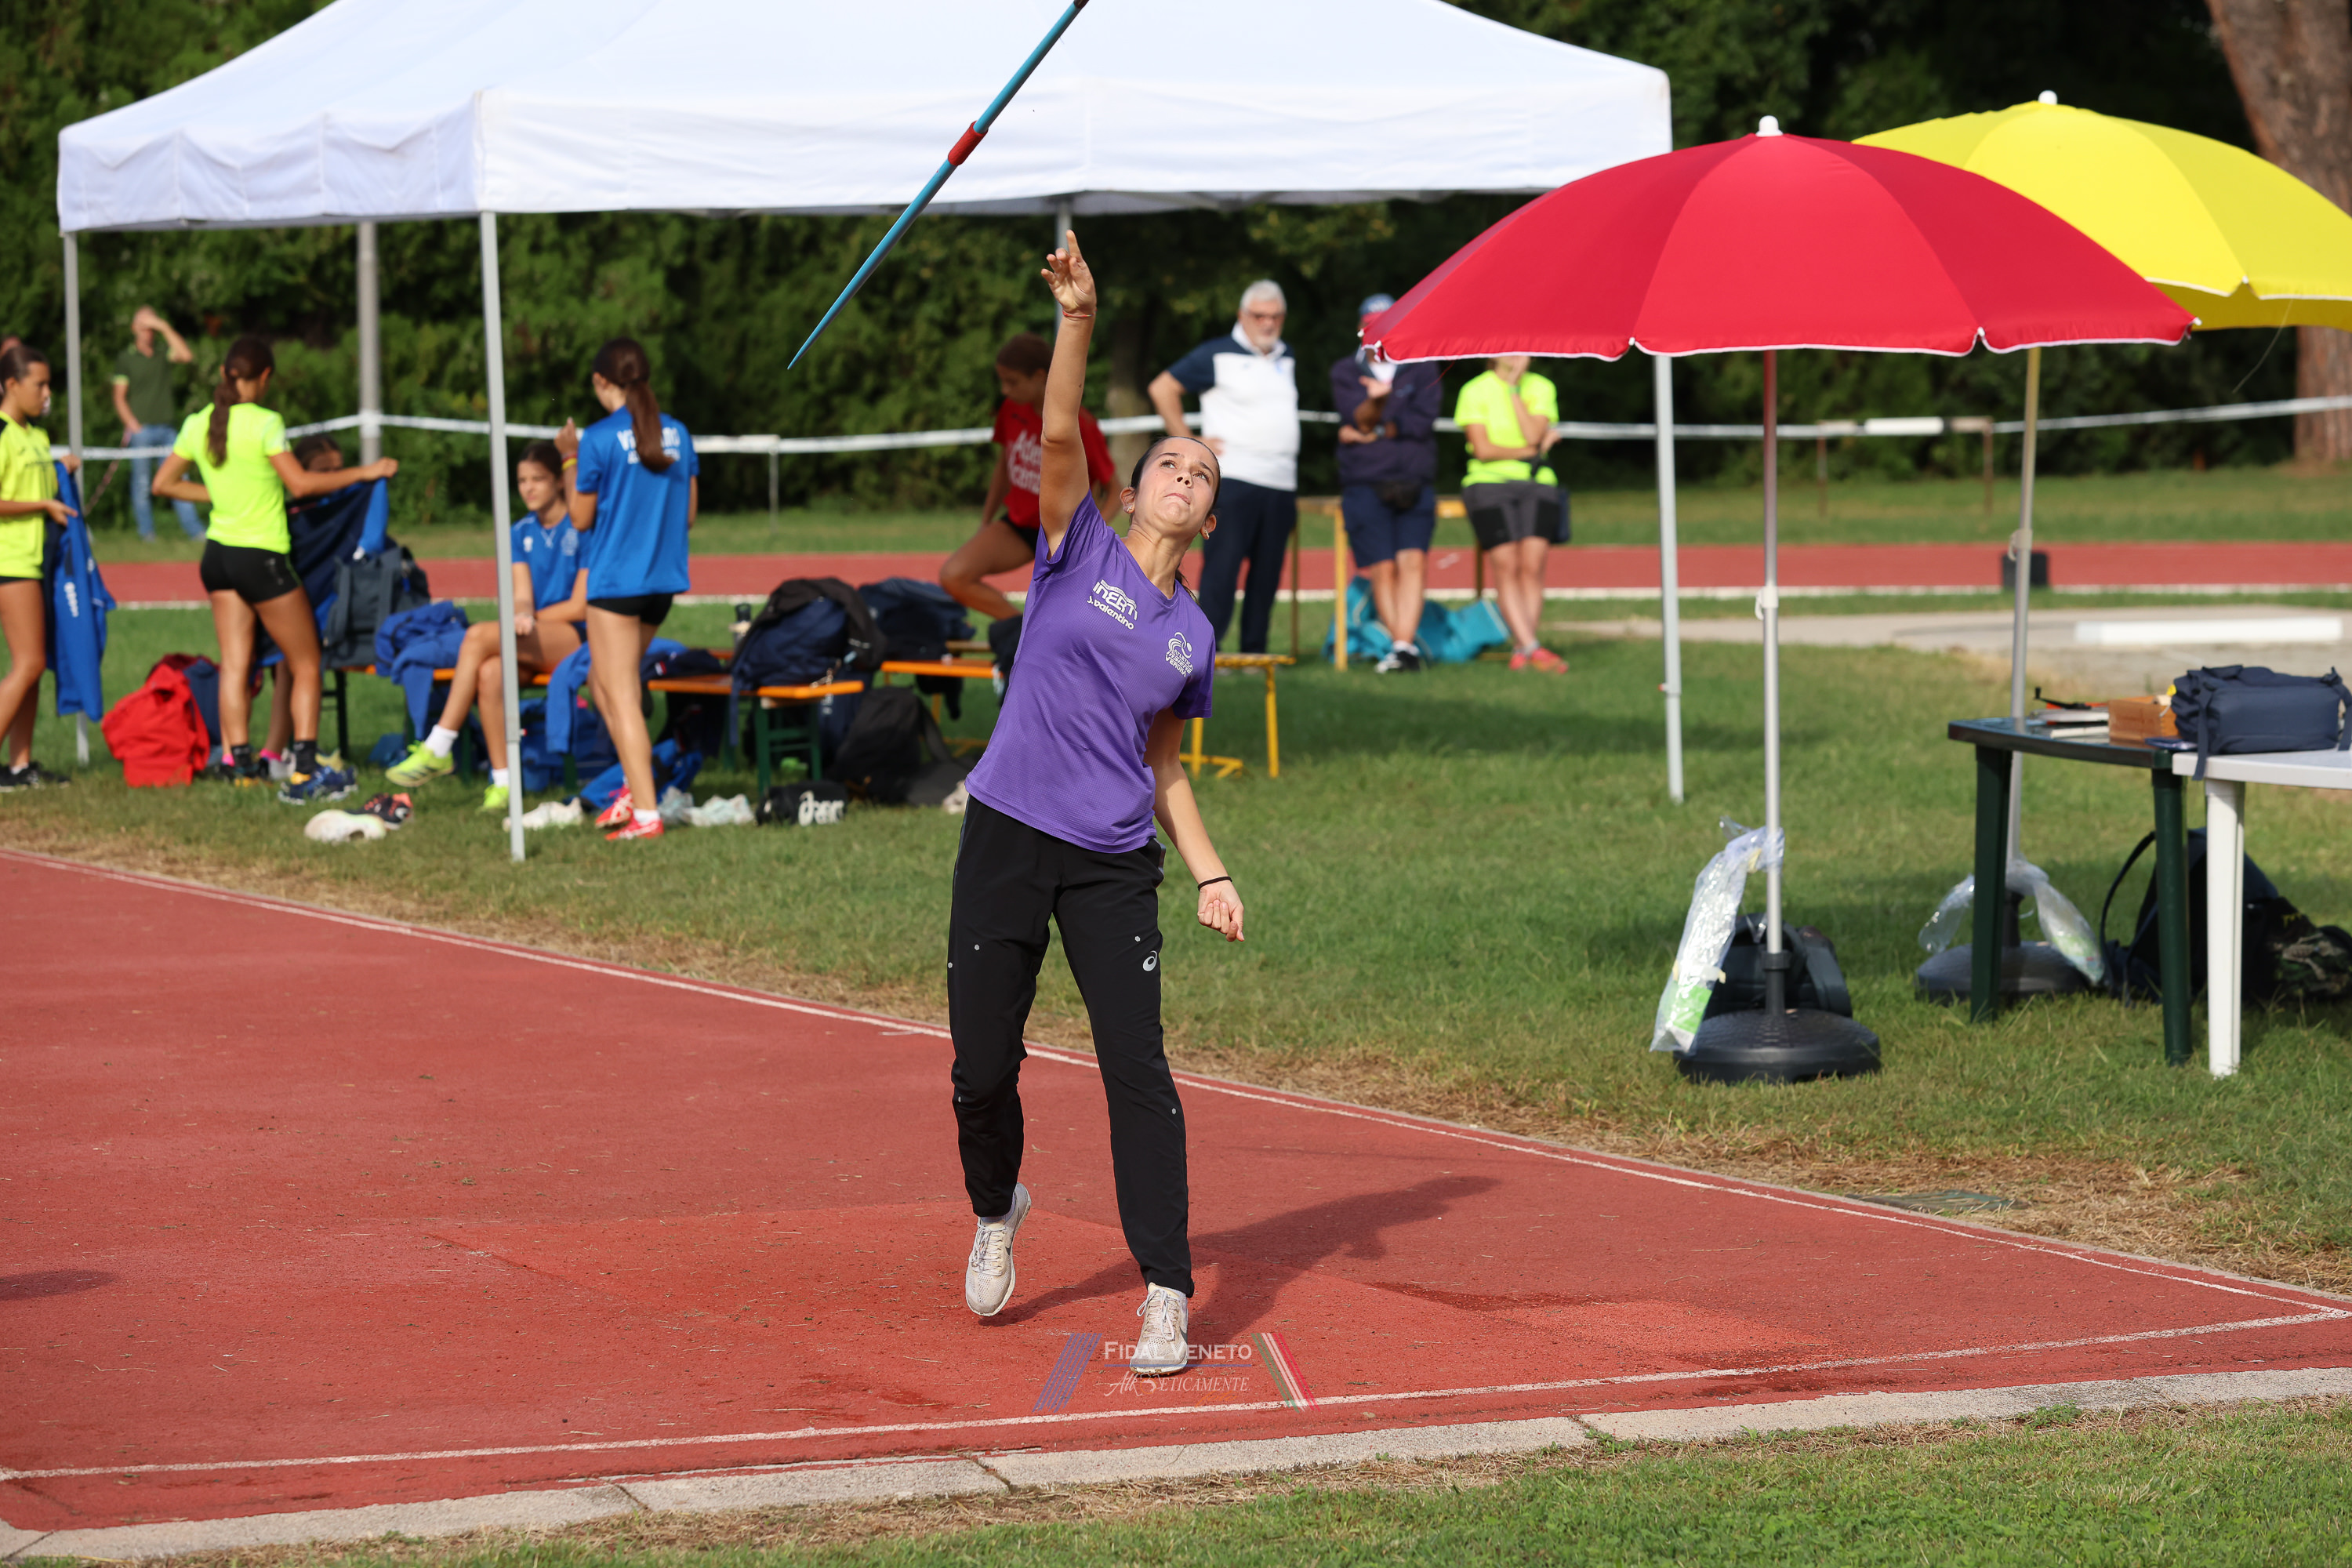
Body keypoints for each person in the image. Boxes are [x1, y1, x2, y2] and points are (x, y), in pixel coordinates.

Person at [953, 232, 1244, 1377]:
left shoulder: (1192, 638)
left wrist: (1213, 871)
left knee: (1140, 1069)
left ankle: (1166, 1291)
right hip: (1008, 831)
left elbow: (1164, 765)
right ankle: (997, 1207)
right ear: (1136, 489)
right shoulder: (1077, 546)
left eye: (1202, 475)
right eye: (1171, 462)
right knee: (982, 1065)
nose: (1184, 477)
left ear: (1209, 519)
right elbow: (1062, 421)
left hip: (1113, 862)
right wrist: (1076, 317)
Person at [151, 336, 395, 799]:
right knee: (307, 662)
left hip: (217, 556)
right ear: (264, 377)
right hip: (260, 557)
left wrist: (221, 496)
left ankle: (241, 767)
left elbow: (163, 484)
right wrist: (366, 473)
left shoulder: (198, 422)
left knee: (235, 665)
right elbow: (300, 485)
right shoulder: (266, 422)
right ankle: (304, 769)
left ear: (224, 374)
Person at [385, 441, 586, 812]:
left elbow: (579, 605)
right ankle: (504, 782)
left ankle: (440, 744)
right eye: (522, 480)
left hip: (576, 637)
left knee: (478, 635)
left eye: (538, 479)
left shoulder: (582, 526)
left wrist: (532, 620)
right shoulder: (520, 531)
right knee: (491, 673)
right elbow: (522, 595)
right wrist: (522, 614)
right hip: (534, 637)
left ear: (559, 482)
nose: (528, 488)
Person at [557, 338, 696, 843]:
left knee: (620, 694)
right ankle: (636, 789)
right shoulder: (677, 432)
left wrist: (568, 460)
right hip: (662, 583)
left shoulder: (597, 438)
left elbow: (579, 517)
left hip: (616, 583)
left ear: (601, 381)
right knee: (602, 682)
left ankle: (646, 814)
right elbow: (690, 514)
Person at [1148, 281, 1298, 654]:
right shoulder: (1215, 354)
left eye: (1275, 316)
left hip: (1281, 483)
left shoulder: (1287, 356)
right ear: (1242, 316)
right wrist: (1188, 444)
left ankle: (1255, 653)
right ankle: (1203, 654)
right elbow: (1162, 388)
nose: (1268, 323)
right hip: (1234, 480)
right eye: (1259, 316)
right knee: (1222, 570)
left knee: (1267, 575)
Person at [939, 332, 1116, 623]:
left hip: (1065, 536)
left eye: (1012, 382)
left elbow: (1115, 490)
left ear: (1040, 376)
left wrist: (1093, 539)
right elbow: (1004, 465)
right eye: (1002, 381)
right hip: (1020, 526)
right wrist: (986, 521)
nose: (1005, 390)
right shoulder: (1010, 409)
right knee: (954, 576)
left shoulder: (1080, 423)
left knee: (1071, 617)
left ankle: (1050, 639)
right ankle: (1021, 632)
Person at [1332, 293, 1443, 673]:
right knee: (1382, 568)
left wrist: (1376, 427)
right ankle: (1402, 648)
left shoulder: (1423, 366)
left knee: (1414, 562)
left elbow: (1422, 422)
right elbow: (1358, 418)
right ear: (1361, 329)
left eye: (1389, 323)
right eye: (1373, 325)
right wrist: (1377, 416)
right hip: (1365, 483)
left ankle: (1402, 647)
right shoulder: (1345, 371)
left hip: (1415, 480)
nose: (1380, 332)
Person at [1454, 355, 1568, 673]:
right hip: (1488, 485)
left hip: (1537, 483)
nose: (1519, 355)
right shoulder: (1474, 390)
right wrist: (1532, 452)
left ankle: (1523, 647)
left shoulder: (1542, 387)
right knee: (1507, 564)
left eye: (1524, 348)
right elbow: (1483, 450)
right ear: (1493, 354)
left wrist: (1515, 391)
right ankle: (1531, 647)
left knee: (1533, 565)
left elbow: (1532, 434)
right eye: (1510, 348)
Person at [0, 344, 78, 789]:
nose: (47, 394)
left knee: (32, 664)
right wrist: (43, 504)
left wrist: (59, 471)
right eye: (39, 384)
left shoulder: (37, 436)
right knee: (29, 663)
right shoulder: (2, 433)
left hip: (37, 561)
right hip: (9, 560)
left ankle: (20, 765)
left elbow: (37, 484)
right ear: (11, 384)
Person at [112, 307, 202, 541]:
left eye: (151, 327)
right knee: (142, 484)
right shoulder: (126, 358)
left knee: (179, 480)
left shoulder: (163, 353)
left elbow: (186, 355)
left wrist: (163, 326)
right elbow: (119, 397)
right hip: (142, 430)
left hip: (167, 429)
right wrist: (133, 425)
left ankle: (195, 531)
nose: (148, 332)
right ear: (134, 328)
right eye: (144, 326)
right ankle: (147, 534)